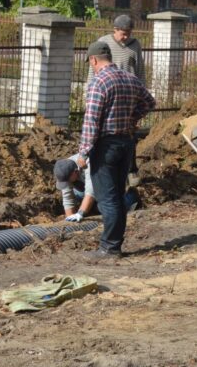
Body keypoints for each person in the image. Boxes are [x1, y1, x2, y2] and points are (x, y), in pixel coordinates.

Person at [78, 40, 155, 258]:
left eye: (90, 63)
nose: (91, 67)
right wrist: (132, 118)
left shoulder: (98, 82)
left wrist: (84, 152)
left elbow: (91, 120)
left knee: (108, 199)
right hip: (126, 144)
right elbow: (149, 102)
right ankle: (114, 244)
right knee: (118, 195)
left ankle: (110, 248)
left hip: (106, 147)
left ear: (94, 60)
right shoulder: (130, 78)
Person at [88, 14, 146, 182]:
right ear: (115, 30)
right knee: (105, 131)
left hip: (128, 94)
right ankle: (103, 168)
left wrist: (140, 96)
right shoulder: (104, 43)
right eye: (123, 33)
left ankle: (131, 170)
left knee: (129, 132)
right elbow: (93, 71)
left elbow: (140, 71)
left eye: (129, 32)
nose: (126, 36)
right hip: (107, 92)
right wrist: (90, 92)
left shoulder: (135, 45)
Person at [55, 154, 95, 222]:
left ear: (76, 172)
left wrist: (80, 214)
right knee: (76, 194)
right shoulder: (64, 169)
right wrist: (70, 219)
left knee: (103, 207)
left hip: (106, 185)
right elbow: (67, 197)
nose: (67, 183)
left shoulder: (88, 164)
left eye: (68, 181)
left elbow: (91, 192)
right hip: (84, 186)